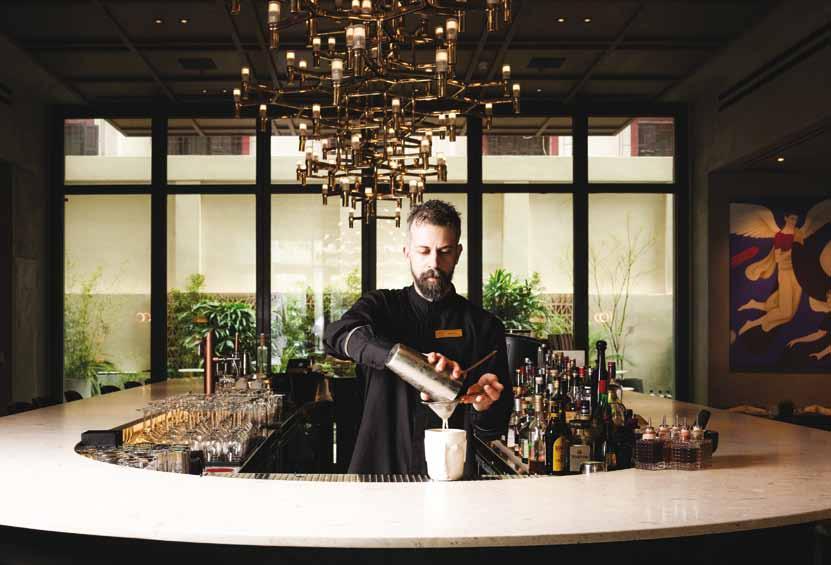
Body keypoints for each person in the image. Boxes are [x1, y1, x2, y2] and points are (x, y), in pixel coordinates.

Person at [323, 200, 513, 475]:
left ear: (458, 253)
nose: (433, 262)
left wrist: (485, 407)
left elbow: (493, 429)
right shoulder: (380, 307)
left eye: (444, 251)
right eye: (423, 251)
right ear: (407, 252)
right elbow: (336, 335)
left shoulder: (484, 326)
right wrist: (407, 360)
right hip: (378, 472)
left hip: (453, 477)